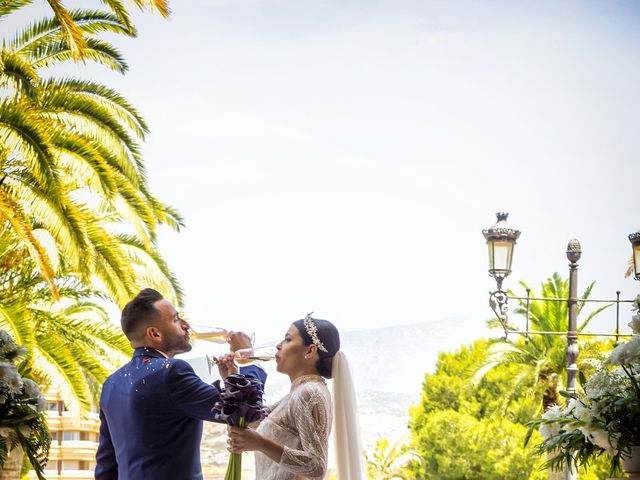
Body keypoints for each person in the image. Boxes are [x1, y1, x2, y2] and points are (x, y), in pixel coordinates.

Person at [95, 288, 267, 480]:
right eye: (176, 319)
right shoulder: (170, 372)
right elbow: (245, 408)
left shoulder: (111, 384)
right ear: (155, 333)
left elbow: (105, 466)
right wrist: (248, 355)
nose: (186, 325)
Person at [226, 314, 364, 480]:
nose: (278, 345)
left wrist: (259, 443)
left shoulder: (309, 393)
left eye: (287, 339)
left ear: (310, 350)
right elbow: (252, 421)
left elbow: (316, 465)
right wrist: (231, 376)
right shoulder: (296, 393)